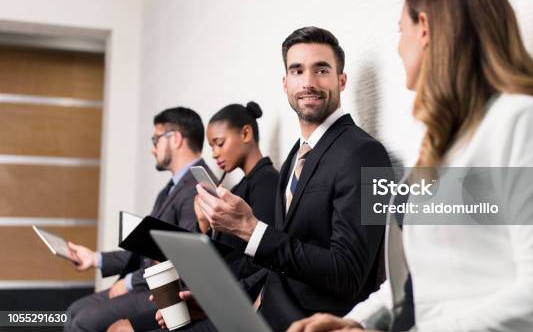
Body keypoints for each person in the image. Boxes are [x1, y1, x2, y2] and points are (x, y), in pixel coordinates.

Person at [288, 0, 533, 332]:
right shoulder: (439, 141)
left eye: (401, 30)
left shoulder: (525, 120)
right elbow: (417, 285)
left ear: (423, 28)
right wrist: (355, 322)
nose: (398, 46)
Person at [174, 26, 391, 332]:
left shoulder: (367, 154)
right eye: (297, 71)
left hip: (306, 323)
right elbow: (277, 260)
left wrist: (252, 229)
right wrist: (221, 299)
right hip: (261, 309)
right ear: (285, 83)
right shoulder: (294, 156)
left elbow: (349, 274)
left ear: (342, 80)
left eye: (322, 70)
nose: (308, 82)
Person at [111, 101, 278, 332]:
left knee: (121, 329)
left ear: (246, 133)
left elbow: (258, 257)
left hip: (229, 297)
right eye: (211, 146)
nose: (214, 153)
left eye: (219, 143)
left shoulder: (267, 183)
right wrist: (203, 225)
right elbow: (226, 246)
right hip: (212, 291)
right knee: (119, 327)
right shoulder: (239, 186)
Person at [65, 107, 216, 332]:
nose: (153, 148)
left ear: (175, 139)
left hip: (167, 291)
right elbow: (147, 250)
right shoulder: (170, 189)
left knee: (82, 321)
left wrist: (128, 283)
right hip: (146, 283)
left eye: (156, 139)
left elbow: (182, 260)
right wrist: (95, 259)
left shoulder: (198, 187)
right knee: (73, 312)